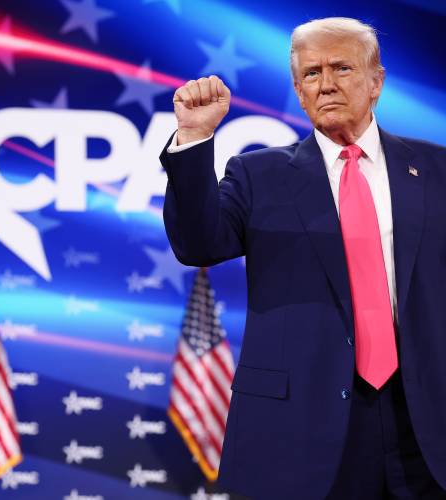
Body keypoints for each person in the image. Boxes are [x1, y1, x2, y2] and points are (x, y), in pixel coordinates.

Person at [160, 17, 446, 500]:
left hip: (426, 421)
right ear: (297, 89)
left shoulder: (437, 169)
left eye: (341, 68)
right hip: (302, 426)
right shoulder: (259, 174)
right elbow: (198, 245)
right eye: (311, 73)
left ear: (376, 81)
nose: (326, 84)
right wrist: (193, 140)